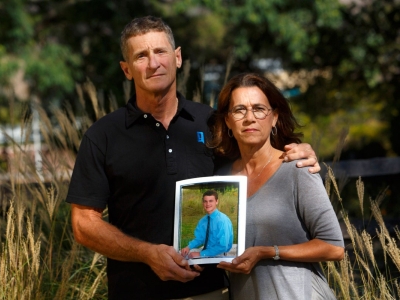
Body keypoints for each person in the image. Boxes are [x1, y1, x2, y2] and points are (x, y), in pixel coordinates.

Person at [66, 16, 320, 300]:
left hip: (214, 292)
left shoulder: (215, 124)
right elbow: (83, 224)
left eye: (161, 52)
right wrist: (148, 254)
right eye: (141, 56)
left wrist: (297, 151)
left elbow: (261, 160)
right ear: (127, 69)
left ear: (178, 58)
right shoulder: (103, 136)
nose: (153, 63)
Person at [209, 73, 345, 299]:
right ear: (228, 121)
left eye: (259, 109)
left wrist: (267, 252)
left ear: (274, 117)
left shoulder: (297, 169)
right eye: (239, 110)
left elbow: (334, 247)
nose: (249, 118)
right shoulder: (221, 180)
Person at [181, 190, 233, 258]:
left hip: (219, 255)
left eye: (211, 201)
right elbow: (199, 238)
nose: (208, 204)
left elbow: (223, 246)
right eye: (205, 201)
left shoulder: (223, 220)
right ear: (203, 203)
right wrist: (188, 247)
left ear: (216, 201)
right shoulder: (202, 221)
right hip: (206, 252)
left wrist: (201, 254)